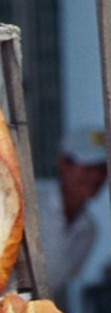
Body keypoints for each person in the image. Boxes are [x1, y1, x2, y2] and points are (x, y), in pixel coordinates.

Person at [36, 126, 108, 295]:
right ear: (63, 164)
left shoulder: (88, 231)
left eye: (103, 169)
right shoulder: (29, 198)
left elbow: (58, 286)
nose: (97, 177)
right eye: (88, 167)